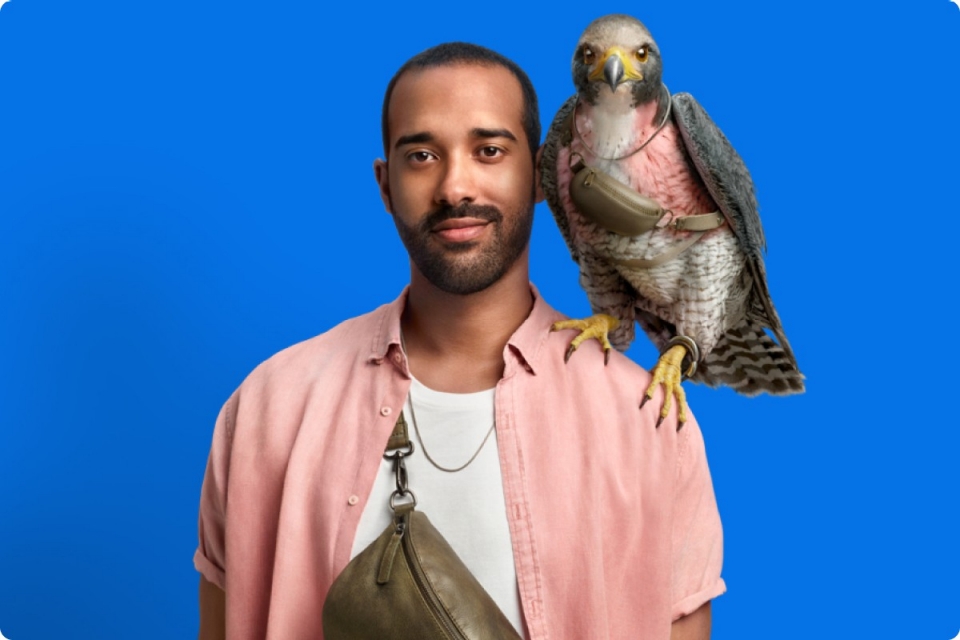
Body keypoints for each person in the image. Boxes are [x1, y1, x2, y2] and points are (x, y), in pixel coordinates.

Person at [194, 42, 724, 640]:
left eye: (489, 150)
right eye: (421, 155)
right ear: (385, 184)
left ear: (544, 175)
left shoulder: (644, 421)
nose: (454, 186)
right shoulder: (271, 409)